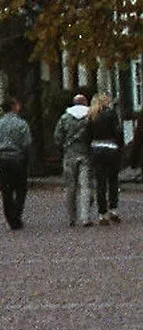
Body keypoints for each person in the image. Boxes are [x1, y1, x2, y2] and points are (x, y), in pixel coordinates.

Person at [0, 97, 32, 230]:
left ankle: (9, 216)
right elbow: (27, 143)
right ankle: (17, 215)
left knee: (6, 190)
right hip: (17, 158)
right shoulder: (21, 124)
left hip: (2, 158)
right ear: (13, 106)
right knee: (20, 189)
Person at [54, 92, 92, 228]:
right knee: (85, 186)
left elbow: (57, 137)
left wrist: (63, 148)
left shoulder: (64, 118)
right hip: (85, 154)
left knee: (70, 187)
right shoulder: (90, 117)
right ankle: (85, 217)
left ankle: (72, 217)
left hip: (69, 155)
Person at [87, 91, 123, 225]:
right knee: (113, 180)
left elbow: (88, 134)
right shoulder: (111, 114)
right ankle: (113, 209)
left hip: (96, 149)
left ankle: (102, 213)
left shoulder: (92, 115)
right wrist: (120, 145)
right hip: (111, 148)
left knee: (100, 182)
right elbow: (118, 132)